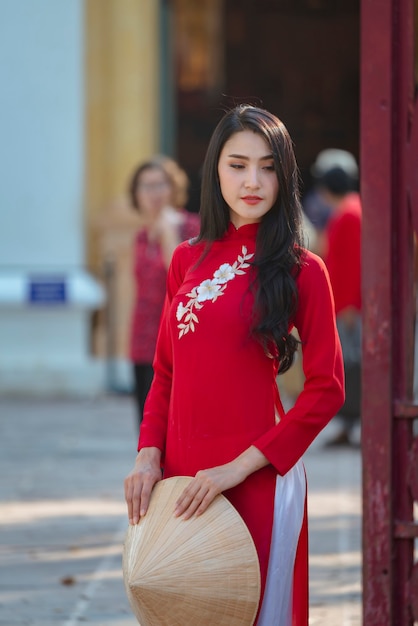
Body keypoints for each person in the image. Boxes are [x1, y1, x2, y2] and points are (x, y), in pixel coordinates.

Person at [124, 106, 345, 625]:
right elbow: (166, 371)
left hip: (256, 478)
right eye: (237, 164)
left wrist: (238, 468)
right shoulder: (187, 259)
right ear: (214, 171)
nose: (253, 181)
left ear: (284, 175)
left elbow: (327, 388)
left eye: (268, 167)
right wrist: (147, 456)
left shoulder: (302, 268)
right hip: (181, 480)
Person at [128, 156, 200, 431]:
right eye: (145, 187)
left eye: (160, 185)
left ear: (173, 188)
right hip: (144, 334)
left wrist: (169, 232)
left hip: (177, 334)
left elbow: (182, 279)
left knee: (174, 425)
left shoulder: (192, 227)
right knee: (146, 424)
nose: (153, 194)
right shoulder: (142, 235)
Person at [313, 150, 362, 446]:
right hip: (346, 303)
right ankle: (349, 425)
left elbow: (352, 266)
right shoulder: (351, 209)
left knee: (352, 366)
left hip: (348, 306)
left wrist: (349, 306)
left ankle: (352, 424)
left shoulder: (347, 213)